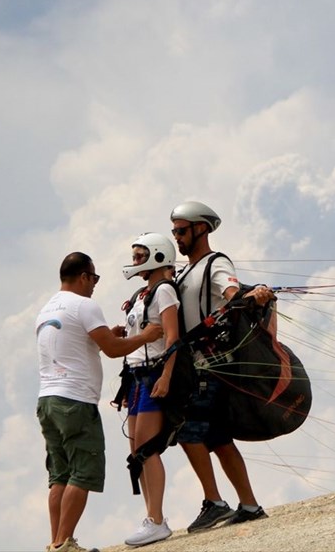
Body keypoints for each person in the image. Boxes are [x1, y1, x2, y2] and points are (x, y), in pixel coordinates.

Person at [36, 252, 163, 552]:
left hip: (47, 400)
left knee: (59, 475)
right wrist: (145, 336)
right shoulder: (85, 305)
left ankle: (55, 543)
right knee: (82, 472)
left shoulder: (47, 308)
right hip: (75, 400)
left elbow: (82, 343)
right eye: (94, 277)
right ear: (83, 276)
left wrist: (109, 336)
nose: (94, 284)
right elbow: (114, 349)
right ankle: (65, 544)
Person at [169, 200, 275, 532]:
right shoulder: (183, 273)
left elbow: (230, 291)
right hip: (196, 366)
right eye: (174, 232)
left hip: (211, 365)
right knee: (217, 438)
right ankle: (250, 505)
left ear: (201, 228)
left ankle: (215, 503)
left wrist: (249, 296)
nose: (176, 237)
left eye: (181, 231)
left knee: (187, 430)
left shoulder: (215, 263)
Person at [119, 234, 181, 546]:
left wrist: (166, 376)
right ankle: (151, 517)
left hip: (153, 372)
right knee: (137, 452)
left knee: (146, 447)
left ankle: (156, 520)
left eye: (140, 255)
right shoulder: (141, 295)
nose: (135, 261)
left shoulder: (164, 290)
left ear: (157, 256)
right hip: (135, 377)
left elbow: (172, 337)